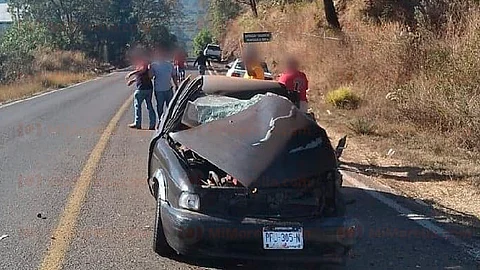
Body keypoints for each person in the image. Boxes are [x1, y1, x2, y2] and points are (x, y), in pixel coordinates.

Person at [125, 48, 156, 130]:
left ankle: (138, 123)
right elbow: (141, 75)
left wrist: (131, 73)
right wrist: (133, 80)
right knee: (148, 105)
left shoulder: (143, 62)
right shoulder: (143, 62)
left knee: (138, 105)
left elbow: (143, 70)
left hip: (142, 88)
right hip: (147, 87)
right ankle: (152, 123)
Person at [149, 45, 178, 123]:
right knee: (160, 106)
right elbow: (150, 76)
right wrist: (150, 69)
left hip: (168, 89)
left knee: (170, 106)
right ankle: (160, 121)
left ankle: (169, 121)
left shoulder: (169, 65)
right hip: (159, 90)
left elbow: (174, 75)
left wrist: (176, 85)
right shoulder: (153, 65)